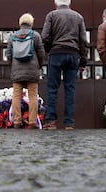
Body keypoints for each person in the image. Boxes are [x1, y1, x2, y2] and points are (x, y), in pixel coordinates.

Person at [41, 0, 88, 130]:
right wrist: (83, 60)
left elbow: (45, 37)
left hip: (56, 54)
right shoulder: (78, 17)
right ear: (69, 3)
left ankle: (51, 121)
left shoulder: (51, 15)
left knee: (52, 89)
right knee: (70, 89)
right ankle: (69, 122)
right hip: (73, 54)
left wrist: (50, 49)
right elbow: (83, 40)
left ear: (55, 3)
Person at [6, 13, 45, 129]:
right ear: (31, 23)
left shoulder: (12, 36)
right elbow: (41, 53)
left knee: (16, 96)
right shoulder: (36, 35)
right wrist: (39, 65)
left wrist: (12, 65)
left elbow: (8, 54)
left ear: (20, 23)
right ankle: (32, 121)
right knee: (33, 96)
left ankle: (17, 121)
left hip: (17, 71)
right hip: (32, 70)